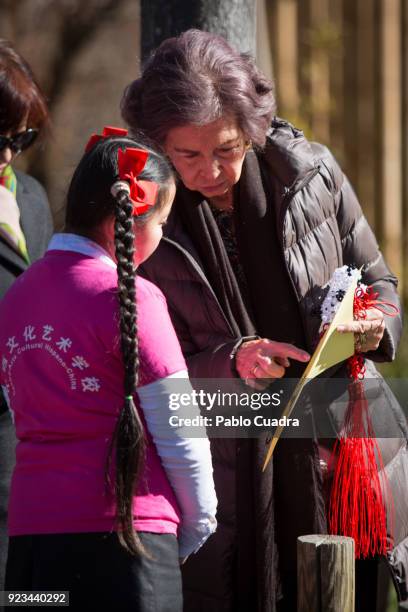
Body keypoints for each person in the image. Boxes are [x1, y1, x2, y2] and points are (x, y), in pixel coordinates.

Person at [121, 29, 407, 612]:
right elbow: (137, 367)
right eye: (189, 156)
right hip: (232, 460)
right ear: (157, 146)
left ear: (252, 130)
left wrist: (373, 325)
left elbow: (380, 284)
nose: (212, 171)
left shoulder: (311, 175)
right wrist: (230, 361)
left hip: (350, 447)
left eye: (228, 148)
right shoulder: (141, 217)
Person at [0, 130, 217, 611]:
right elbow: (180, 429)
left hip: (32, 545)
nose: (161, 237)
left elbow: (21, 416)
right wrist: (198, 523)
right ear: (134, 221)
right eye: (162, 223)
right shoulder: (132, 297)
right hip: (128, 547)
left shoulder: (14, 297)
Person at [0, 39, 53, 598]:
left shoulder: (32, 196)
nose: (9, 156)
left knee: (35, 592)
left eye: (22, 139)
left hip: (33, 443)